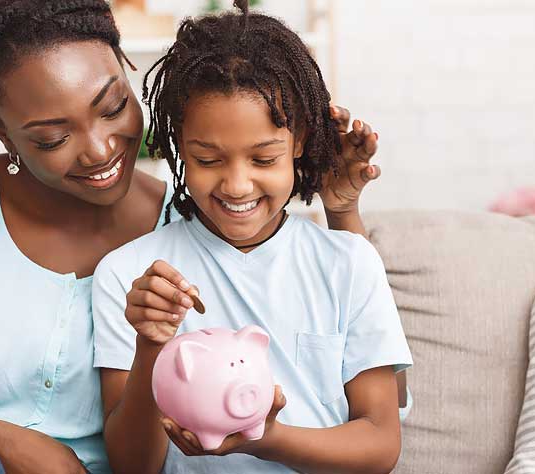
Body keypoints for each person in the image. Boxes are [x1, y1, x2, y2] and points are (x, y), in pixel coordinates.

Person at [0, 1, 382, 473]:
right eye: (52, 138)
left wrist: (341, 209)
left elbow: (334, 346)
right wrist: (5, 444)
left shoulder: (193, 227)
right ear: (4, 135)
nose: (100, 151)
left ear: (127, 68)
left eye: (114, 106)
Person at [92, 2, 413, 473]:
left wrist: (267, 438)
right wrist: (150, 346)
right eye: (208, 159)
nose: (237, 185)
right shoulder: (131, 277)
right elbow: (130, 465)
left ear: (299, 141)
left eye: (263, 159)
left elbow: (381, 444)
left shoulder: (347, 261)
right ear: (180, 143)